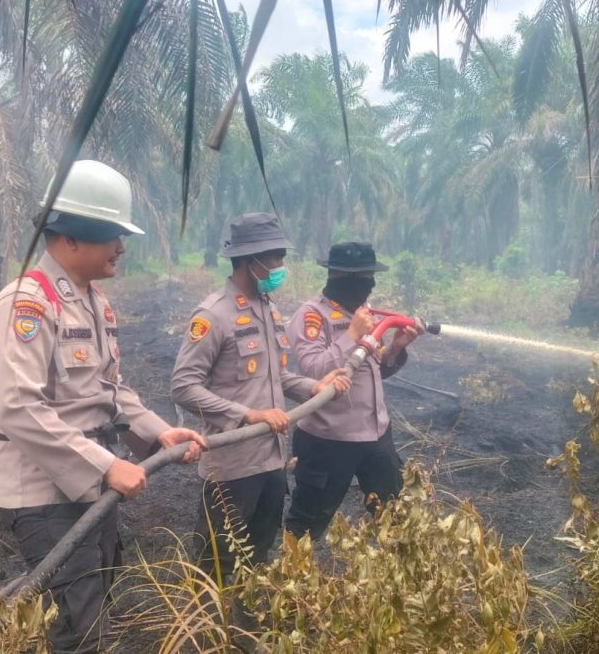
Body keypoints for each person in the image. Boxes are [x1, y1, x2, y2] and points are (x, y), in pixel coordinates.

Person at [0, 160, 206, 653]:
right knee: (78, 618)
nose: (122, 247)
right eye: (111, 235)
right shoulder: (26, 306)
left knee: (96, 595)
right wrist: (106, 466)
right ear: (70, 239)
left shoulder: (94, 304)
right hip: (44, 493)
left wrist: (160, 432)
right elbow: (16, 409)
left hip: (91, 485)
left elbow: (111, 390)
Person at [171, 212, 350, 579]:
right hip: (232, 467)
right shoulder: (214, 315)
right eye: (275, 259)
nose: (280, 267)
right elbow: (184, 386)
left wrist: (313, 387)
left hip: (271, 462)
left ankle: (247, 631)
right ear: (250, 261)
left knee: (257, 558)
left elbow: (278, 376)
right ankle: (211, 633)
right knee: (217, 562)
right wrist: (248, 415)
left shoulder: (268, 310)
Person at [285, 241, 421, 541]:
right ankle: (293, 579)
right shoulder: (311, 316)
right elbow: (313, 371)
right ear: (337, 276)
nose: (368, 285)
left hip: (376, 436)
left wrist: (397, 347)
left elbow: (374, 370)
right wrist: (351, 335)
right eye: (360, 278)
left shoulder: (364, 313)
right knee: (306, 524)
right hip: (328, 441)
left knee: (395, 517)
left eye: (370, 277)